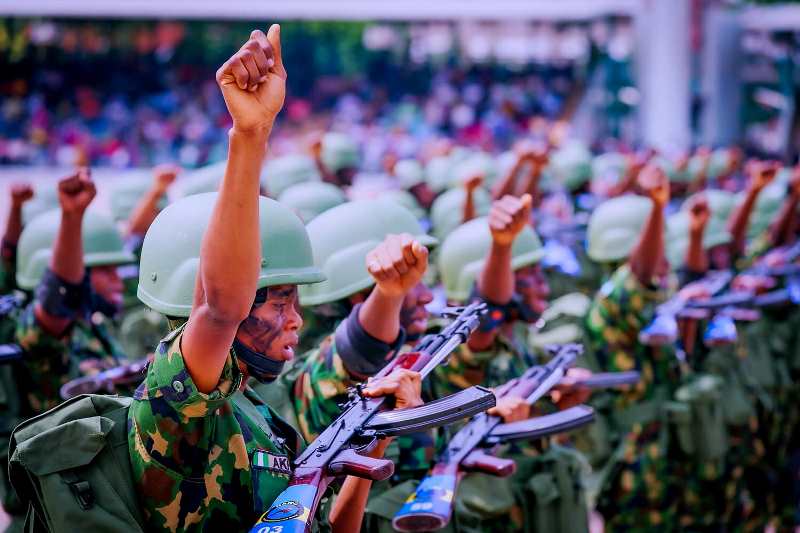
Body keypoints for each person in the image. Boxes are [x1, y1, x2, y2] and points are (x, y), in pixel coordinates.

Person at [127, 26, 425, 532]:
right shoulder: (179, 406)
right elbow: (220, 309)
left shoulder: (258, 412)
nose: (296, 320)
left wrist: (377, 437)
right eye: (278, 302)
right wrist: (249, 135)